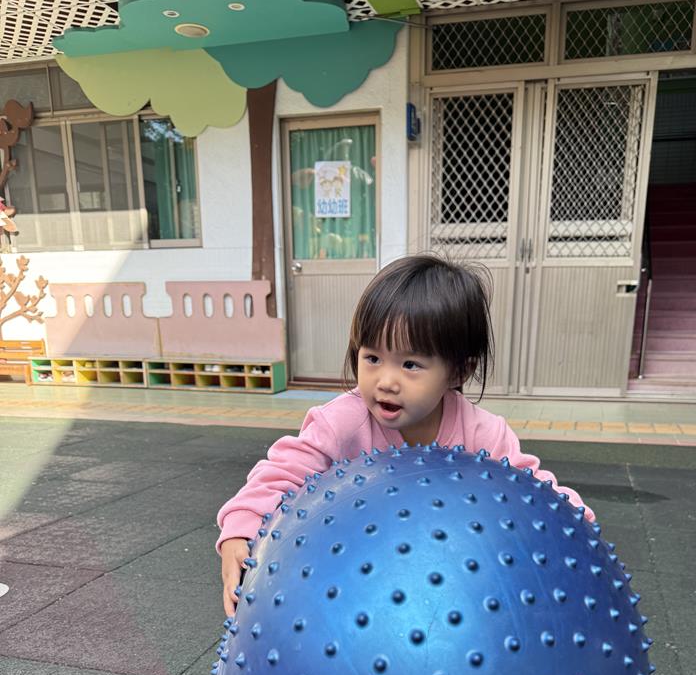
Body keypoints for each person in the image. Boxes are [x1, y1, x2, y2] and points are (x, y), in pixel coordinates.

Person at [217, 254, 594, 616]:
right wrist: (241, 528)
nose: (386, 381)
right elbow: (282, 472)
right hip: (356, 575)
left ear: (458, 372)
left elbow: (530, 489)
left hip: (450, 578)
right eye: (372, 358)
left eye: (410, 364)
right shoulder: (342, 422)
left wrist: (575, 524)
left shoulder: (482, 434)